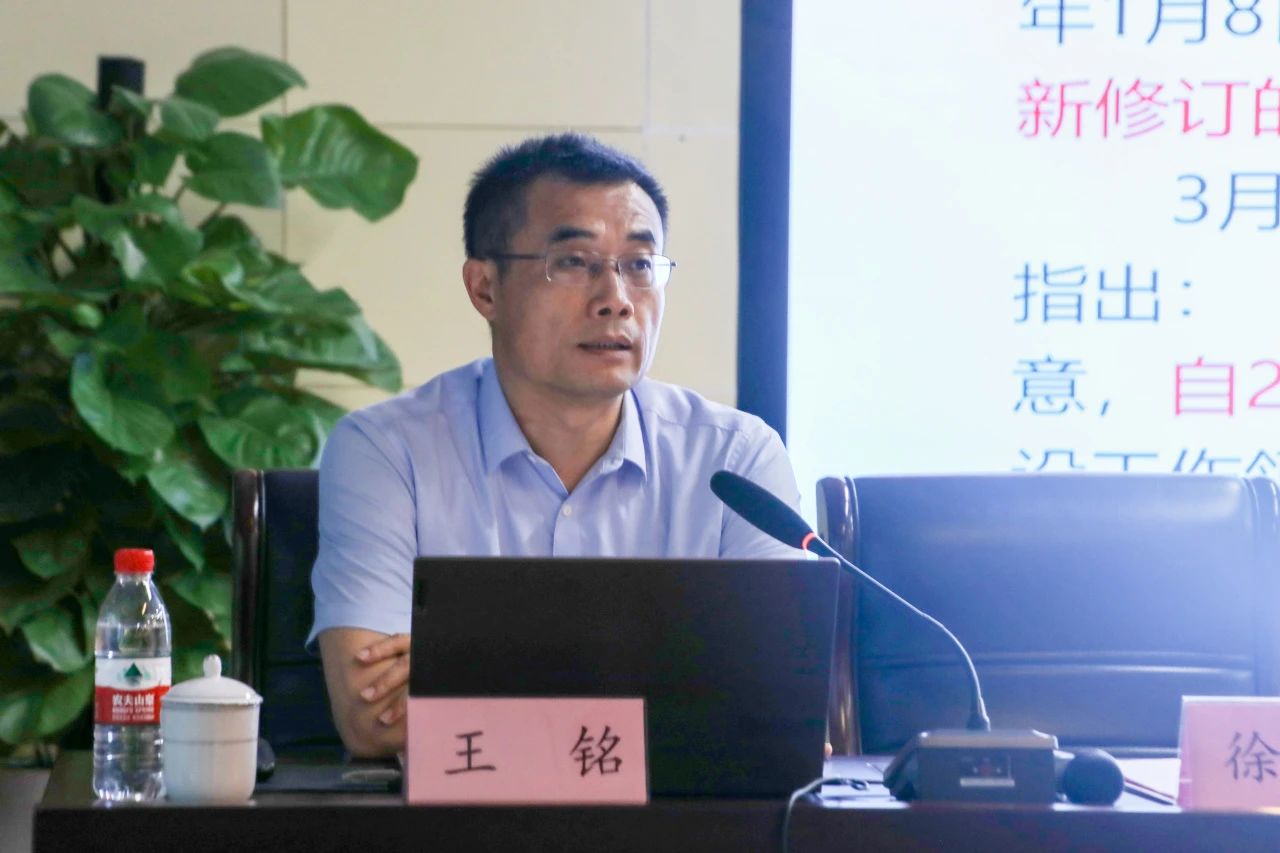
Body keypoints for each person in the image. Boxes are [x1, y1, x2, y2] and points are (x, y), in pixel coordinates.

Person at [309, 133, 803, 757]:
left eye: (640, 265)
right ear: (485, 288)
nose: (616, 301)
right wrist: (667, 681)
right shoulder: (387, 451)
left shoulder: (737, 458)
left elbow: (779, 707)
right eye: (573, 262)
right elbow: (375, 719)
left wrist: (463, 666)